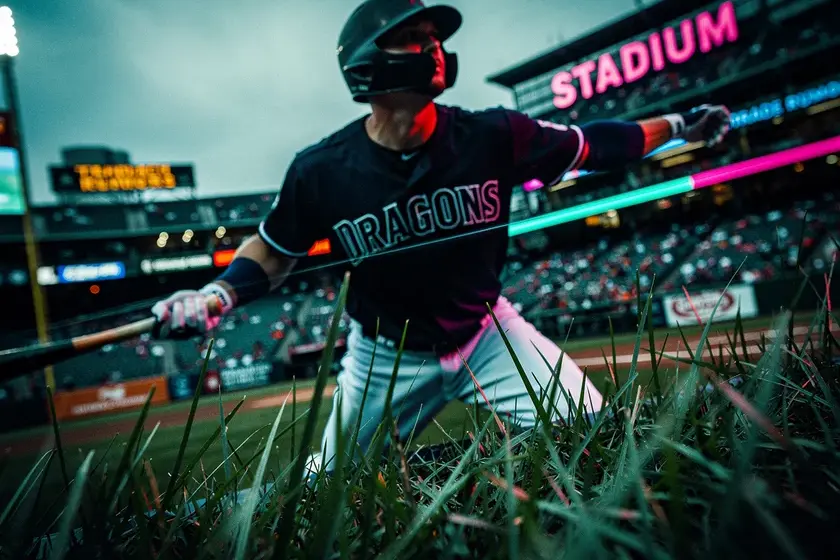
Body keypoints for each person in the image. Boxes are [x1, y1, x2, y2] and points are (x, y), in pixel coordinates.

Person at [151, 0, 731, 473]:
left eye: (435, 36)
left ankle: (459, 471)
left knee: (596, 437)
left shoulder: (491, 135)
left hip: (486, 332)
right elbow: (274, 252)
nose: (433, 47)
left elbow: (595, 144)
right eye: (413, 37)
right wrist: (216, 296)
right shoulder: (321, 170)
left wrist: (680, 125)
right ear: (365, 65)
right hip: (385, 355)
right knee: (327, 486)